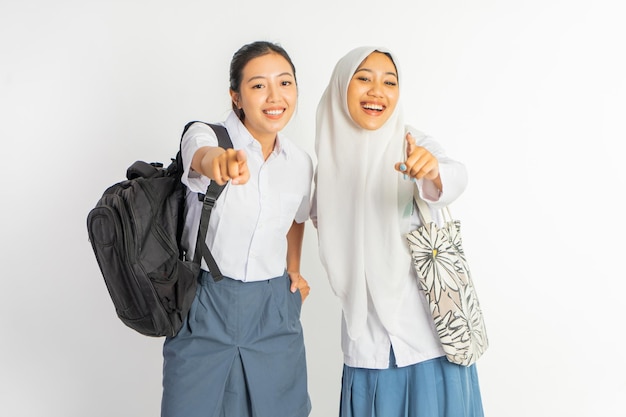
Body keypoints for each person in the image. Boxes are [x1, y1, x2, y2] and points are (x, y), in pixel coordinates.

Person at [310, 46, 484, 417]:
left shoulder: (410, 141)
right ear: (341, 86)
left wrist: (431, 171)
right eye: (364, 78)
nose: (377, 91)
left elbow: (455, 175)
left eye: (390, 82)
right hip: (368, 347)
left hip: (430, 340)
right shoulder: (326, 165)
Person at [161, 41, 313, 417]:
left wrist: (294, 269)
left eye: (285, 83)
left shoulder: (299, 162)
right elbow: (199, 155)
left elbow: (296, 217)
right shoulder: (207, 135)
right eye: (259, 85)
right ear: (237, 97)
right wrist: (220, 162)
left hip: (273, 309)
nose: (275, 96)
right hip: (204, 304)